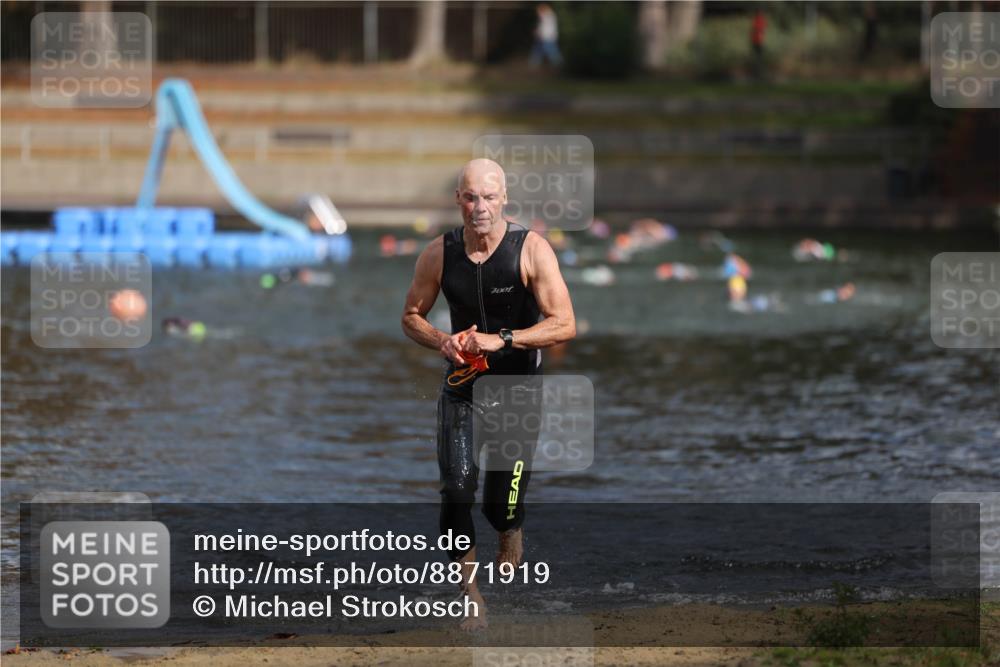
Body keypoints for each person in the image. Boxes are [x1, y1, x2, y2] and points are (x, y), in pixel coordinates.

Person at [401, 158, 576, 630]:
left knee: (500, 506)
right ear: (458, 200)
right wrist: (442, 340)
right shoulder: (439, 253)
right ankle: (470, 594)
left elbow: (564, 324)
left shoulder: (531, 249)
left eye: (489, 197)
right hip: (463, 385)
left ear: (504, 200)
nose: (480, 207)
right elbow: (411, 315)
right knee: (456, 490)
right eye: (471, 197)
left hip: (518, 389)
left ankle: (510, 527)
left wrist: (504, 339)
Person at [530, 3, 563, 68]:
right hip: (544, 37)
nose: (537, 13)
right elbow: (542, 26)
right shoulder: (546, 16)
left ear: (543, 10)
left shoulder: (548, 16)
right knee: (538, 50)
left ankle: (559, 64)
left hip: (547, 37)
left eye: (538, 11)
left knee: (551, 51)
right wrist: (537, 32)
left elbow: (546, 28)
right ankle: (533, 64)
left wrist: (539, 33)